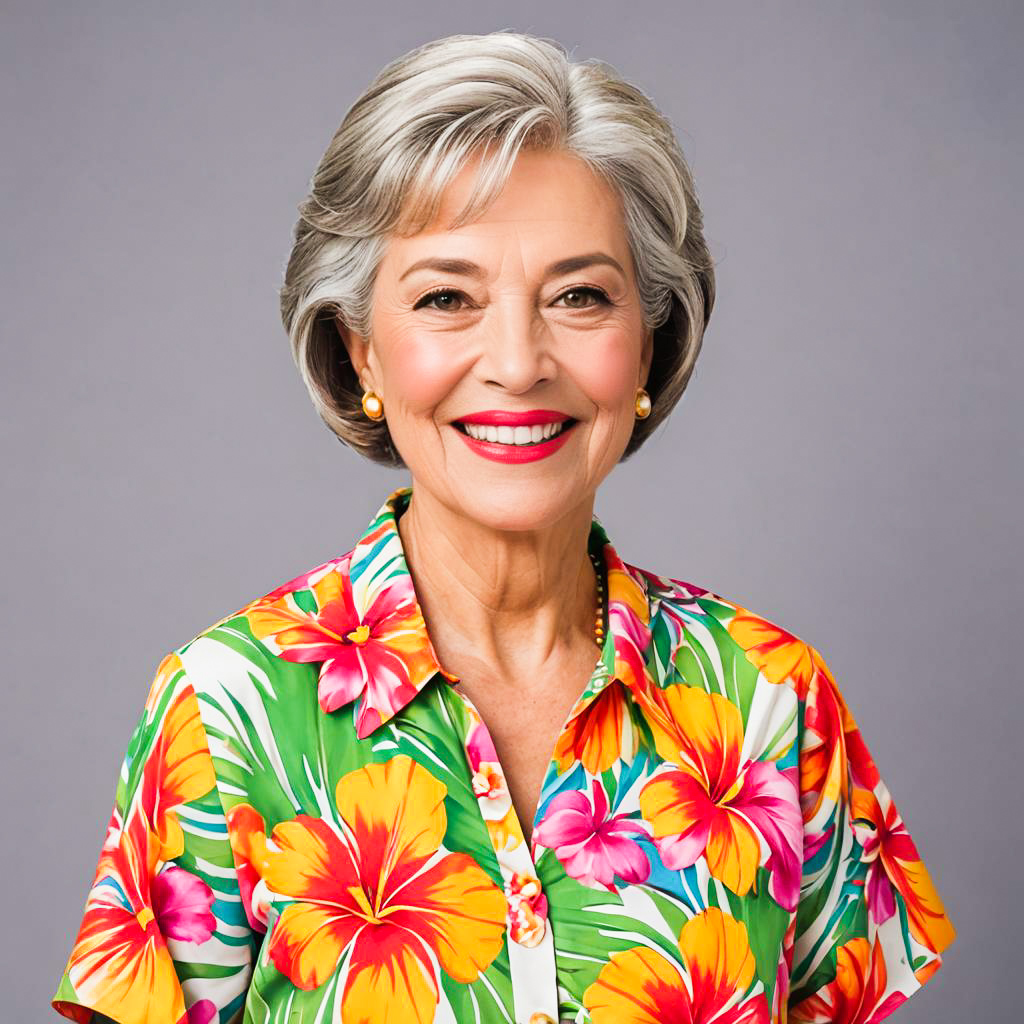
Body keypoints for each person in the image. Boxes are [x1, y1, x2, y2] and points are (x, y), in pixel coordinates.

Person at [52, 30, 956, 1024]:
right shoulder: (225, 711)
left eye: (579, 296)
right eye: (447, 297)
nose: (518, 361)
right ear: (362, 354)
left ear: (647, 341)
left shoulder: (776, 702)